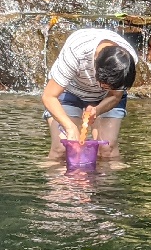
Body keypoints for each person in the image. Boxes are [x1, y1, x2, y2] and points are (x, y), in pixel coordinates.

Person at [41, 28, 138, 159]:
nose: (103, 88)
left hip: (107, 99)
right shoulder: (76, 52)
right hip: (70, 89)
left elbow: (115, 95)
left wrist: (97, 110)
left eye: (110, 86)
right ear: (95, 68)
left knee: (107, 149)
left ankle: (105, 179)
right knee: (63, 148)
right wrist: (69, 127)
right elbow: (49, 96)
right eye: (103, 84)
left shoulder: (126, 63)